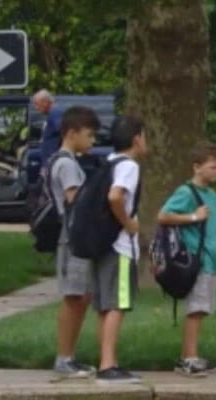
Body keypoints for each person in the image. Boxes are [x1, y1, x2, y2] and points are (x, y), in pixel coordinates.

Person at [156, 142, 216, 378]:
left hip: (209, 260)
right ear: (197, 167)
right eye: (212, 167)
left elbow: (215, 231)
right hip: (194, 260)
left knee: (203, 309)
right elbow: (164, 215)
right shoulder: (187, 193)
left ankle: (193, 355)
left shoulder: (212, 196)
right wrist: (193, 216)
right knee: (195, 310)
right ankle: (188, 358)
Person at [92, 115, 147, 385]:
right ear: (136, 139)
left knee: (105, 305)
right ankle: (107, 364)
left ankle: (105, 359)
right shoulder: (129, 166)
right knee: (118, 304)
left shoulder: (108, 162)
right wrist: (129, 223)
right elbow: (116, 196)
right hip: (120, 245)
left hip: (102, 245)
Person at [48, 106, 101, 378]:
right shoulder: (67, 164)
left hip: (73, 239)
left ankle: (69, 356)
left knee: (81, 297)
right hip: (73, 239)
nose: (92, 141)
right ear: (72, 132)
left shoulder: (61, 160)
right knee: (74, 298)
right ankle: (64, 358)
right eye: (89, 135)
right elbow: (75, 201)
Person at [32, 89, 64, 162]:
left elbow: (65, 132)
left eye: (37, 104)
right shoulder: (53, 114)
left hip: (53, 160)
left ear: (45, 102)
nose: (36, 108)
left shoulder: (55, 113)